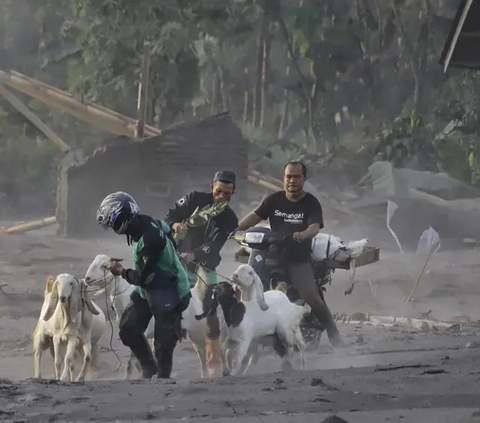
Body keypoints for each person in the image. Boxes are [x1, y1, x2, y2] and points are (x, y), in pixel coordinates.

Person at [234, 160, 343, 347]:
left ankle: (335, 336)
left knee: (311, 296)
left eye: (296, 177)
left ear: (304, 179)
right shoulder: (273, 199)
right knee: (242, 287)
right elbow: (254, 216)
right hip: (271, 255)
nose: (292, 181)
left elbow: (314, 226)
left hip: (297, 258)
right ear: (283, 179)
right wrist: (236, 228)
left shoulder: (311, 202)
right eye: (288, 177)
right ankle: (241, 330)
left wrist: (303, 234)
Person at [96, 191, 191, 379]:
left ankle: (163, 382)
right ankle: (149, 367)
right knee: (128, 329)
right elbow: (167, 230)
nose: (113, 228)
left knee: (164, 344)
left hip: (170, 290)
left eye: (112, 224)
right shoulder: (146, 222)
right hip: (149, 288)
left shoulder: (150, 238)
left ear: (122, 220)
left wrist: (120, 271)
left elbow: (141, 278)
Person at [164, 170, 238, 377]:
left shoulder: (230, 219)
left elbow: (213, 246)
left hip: (205, 267)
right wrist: (175, 225)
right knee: (165, 307)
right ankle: (157, 359)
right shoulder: (193, 200)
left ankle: (214, 362)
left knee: (210, 312)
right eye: (218, 192)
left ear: (233, 194)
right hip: (177, 264)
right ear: (211, 188)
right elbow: (169, 216)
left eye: (227, 194)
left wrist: (193, 254)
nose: (221, 197)